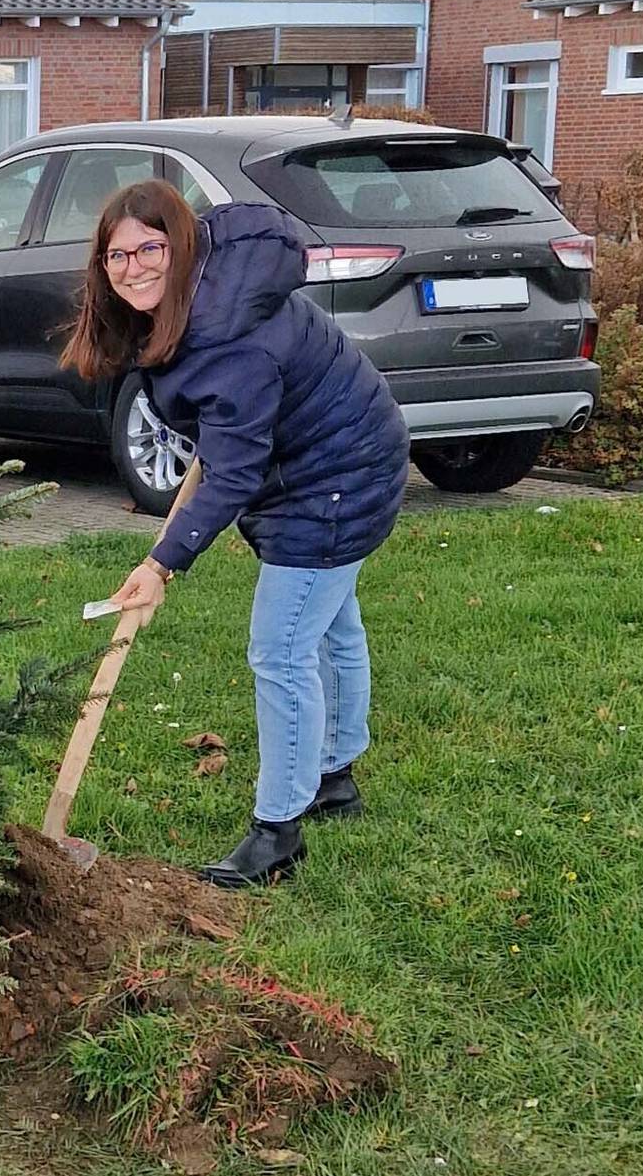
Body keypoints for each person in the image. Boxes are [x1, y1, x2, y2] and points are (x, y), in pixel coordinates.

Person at [61, 180, 409, 889]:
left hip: (338, 476)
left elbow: (234, 472)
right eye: (117, 255)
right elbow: (229, 439)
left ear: (182, 244)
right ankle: (333, 777)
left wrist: (161, 563)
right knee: (331, 624)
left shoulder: (228, 338)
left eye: (149, 248)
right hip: (337, 450)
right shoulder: (206, 294)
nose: (132, 267)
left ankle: (278, 830)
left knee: (281, 648)